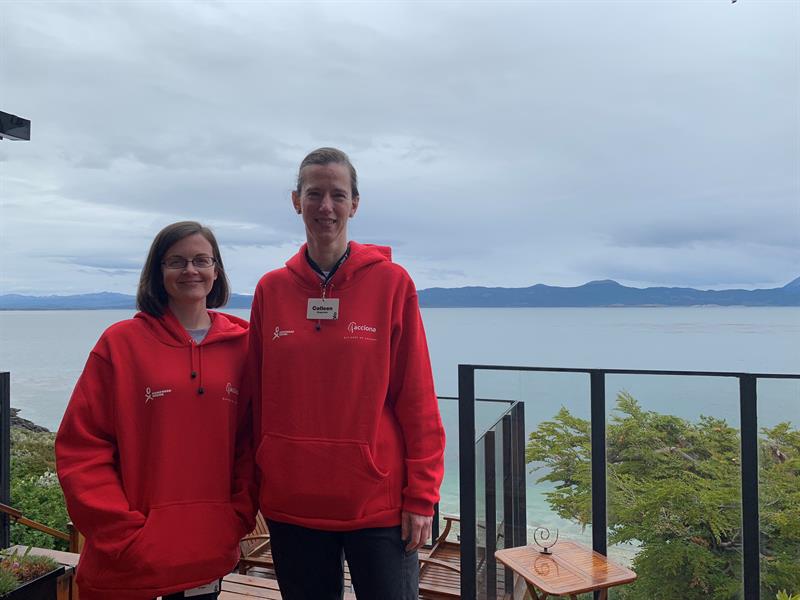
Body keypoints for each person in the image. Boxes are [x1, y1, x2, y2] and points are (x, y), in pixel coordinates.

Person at [247, 147, 446, 599]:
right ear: (296, 200)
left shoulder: (392, 283)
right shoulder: (271, 289)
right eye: (314, 194)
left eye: (337, 195)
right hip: (292, 501)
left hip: (377, 502)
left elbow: (416, 397)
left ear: (355, 204)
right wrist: (255, 481)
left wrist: (422, 497)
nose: (325, 207)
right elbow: (256, 398)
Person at [55, 221, 256, 600]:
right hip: (127, 565)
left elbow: (249, 444)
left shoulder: (243, 347)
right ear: (157, 272)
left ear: (217, 271)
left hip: (205, 557)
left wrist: (234, 519)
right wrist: (122, 533)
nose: (190, 270)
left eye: (201, 260)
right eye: (176, 261)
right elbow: (82, 446)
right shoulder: (120, 343)